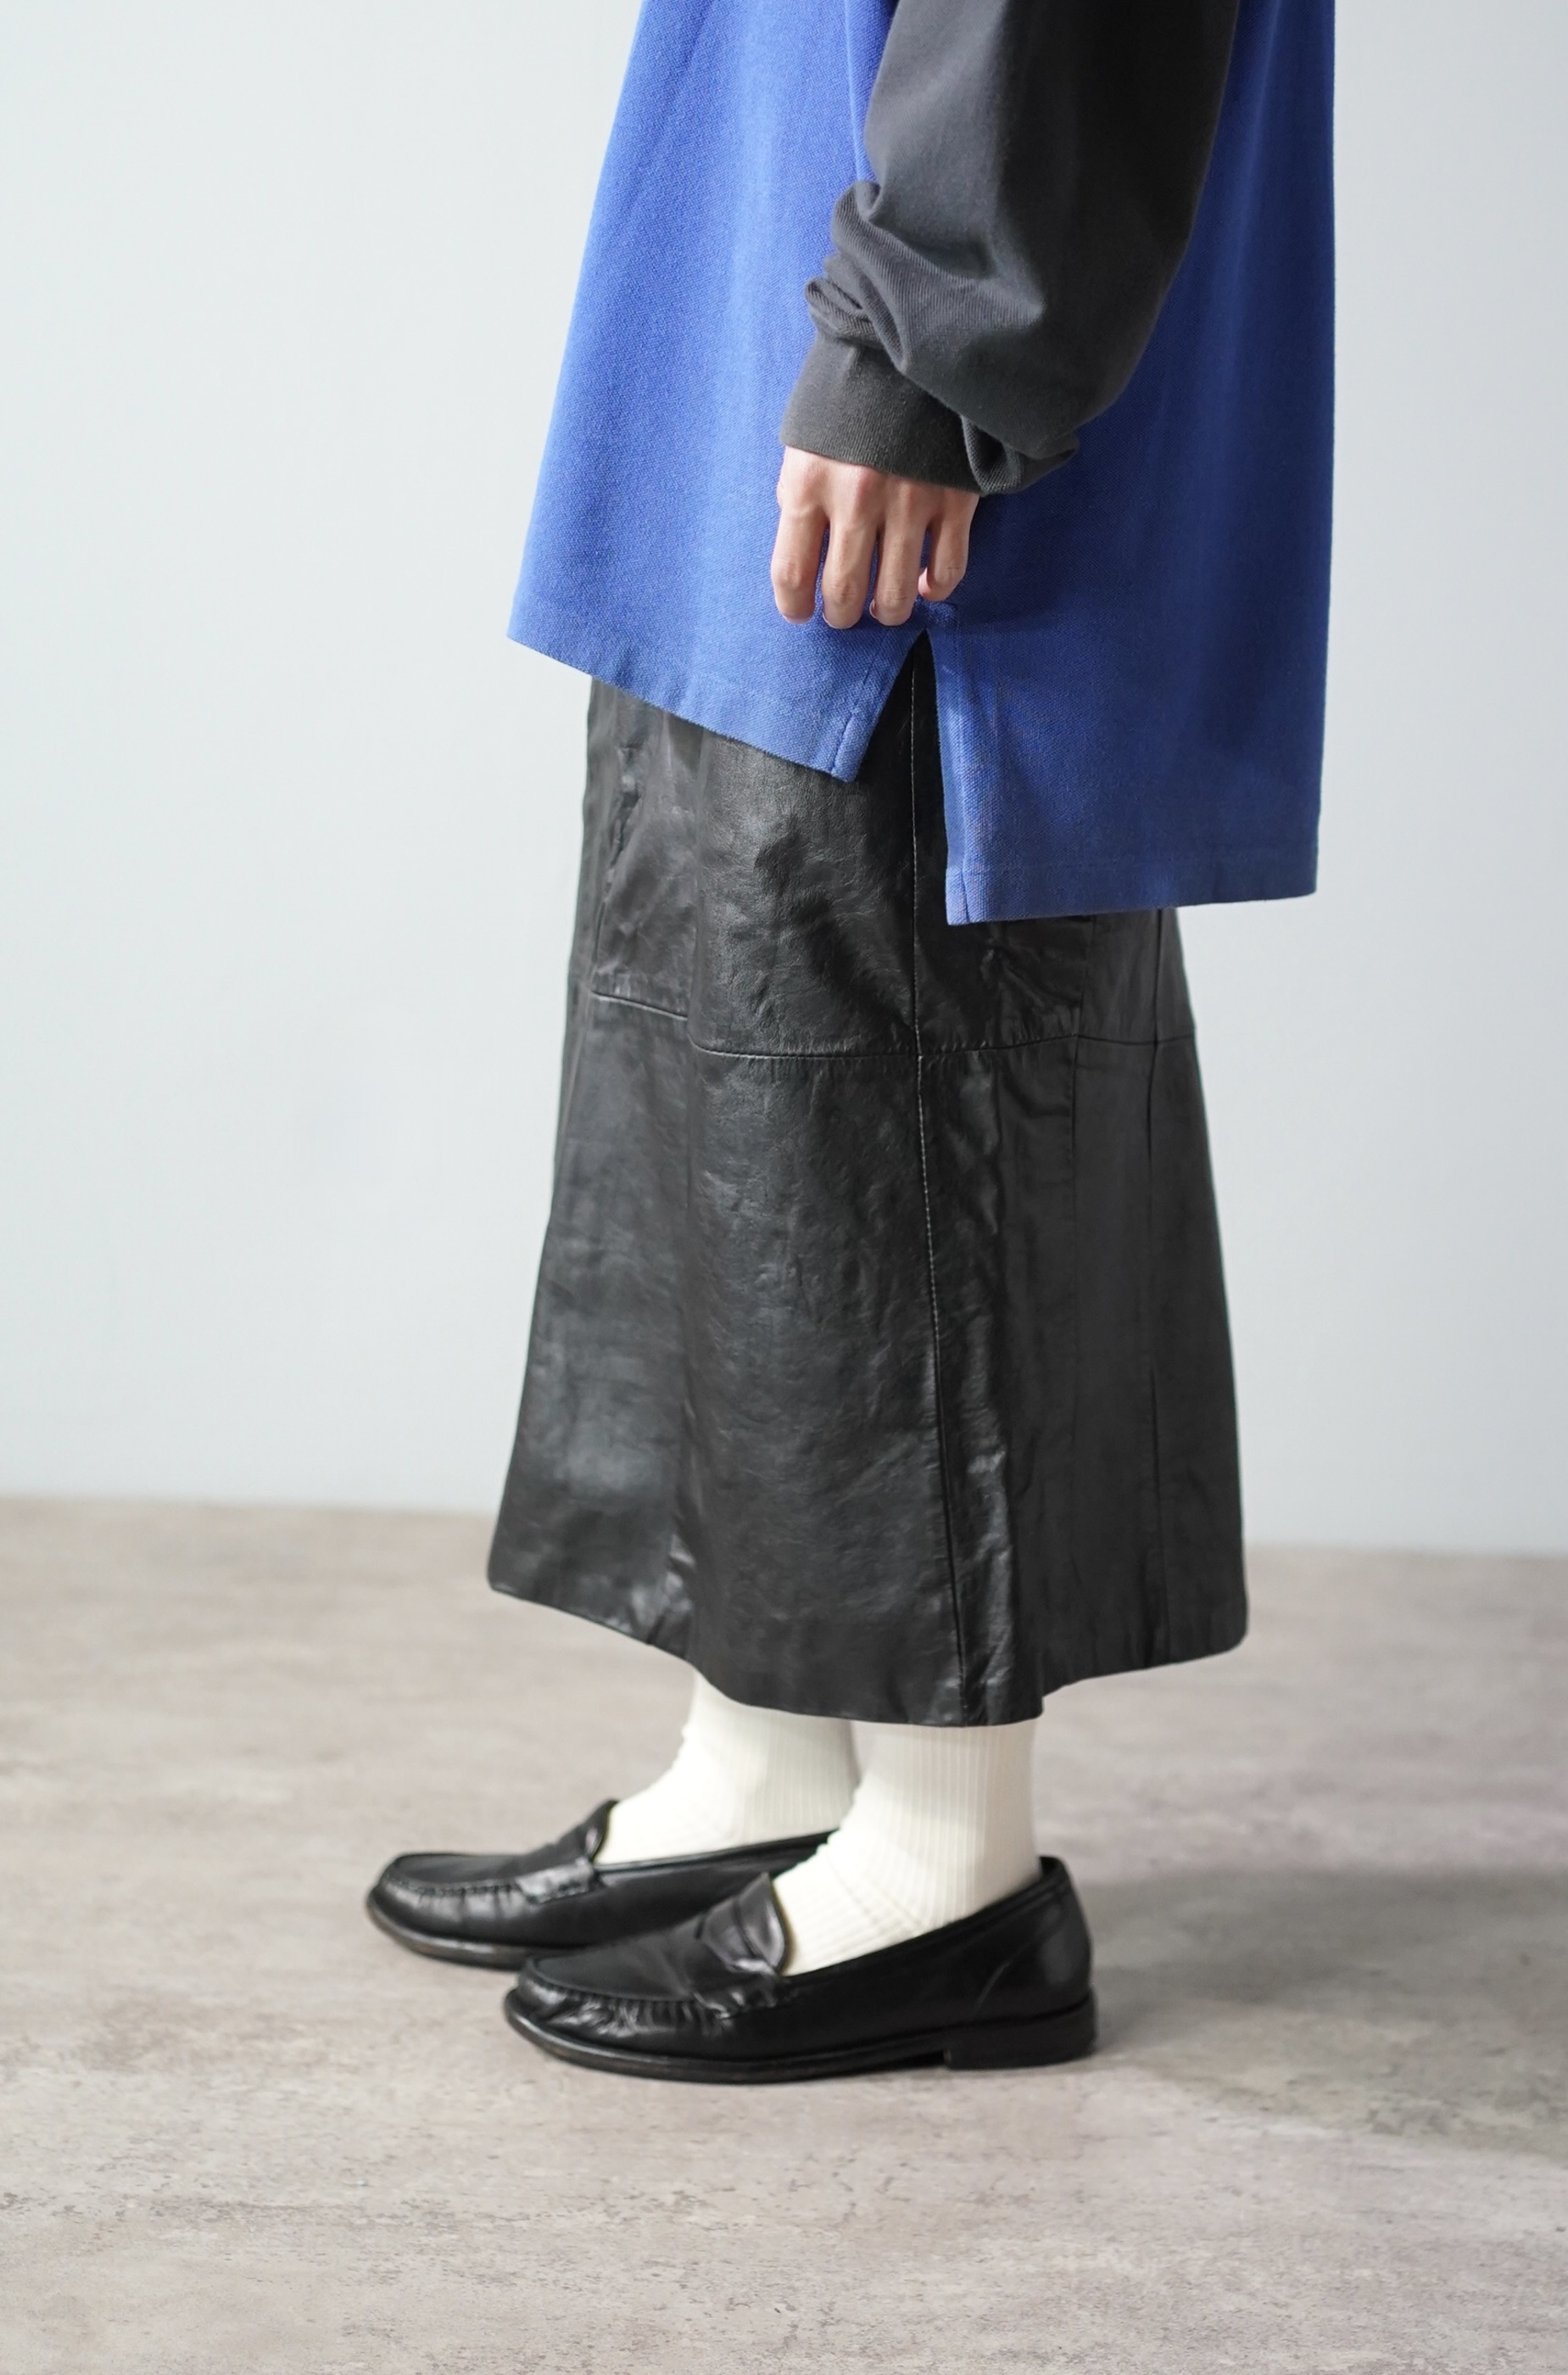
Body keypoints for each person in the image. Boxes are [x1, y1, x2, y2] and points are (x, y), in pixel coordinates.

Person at [367, 0, 1335, 2082]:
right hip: (789, 239)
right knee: (735, 996)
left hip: (912, 269)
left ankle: (950, 1855)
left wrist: (926, 335)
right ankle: (772, 1753)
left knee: (889, 985)